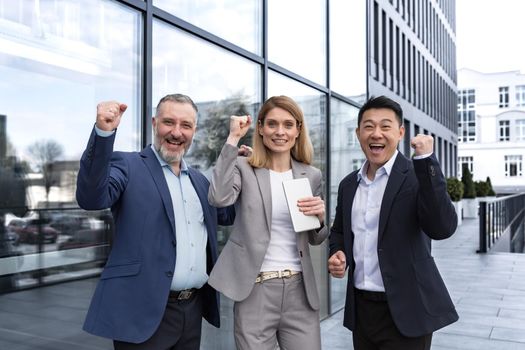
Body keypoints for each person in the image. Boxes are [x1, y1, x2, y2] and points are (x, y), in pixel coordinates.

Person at [76, 94, 235, 349]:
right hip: (142, 312)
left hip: (192, 310)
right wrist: (103, 134)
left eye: (186, 125)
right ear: (154, 123)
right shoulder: (127, 165)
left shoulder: (200, 181)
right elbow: (92, 197)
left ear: (194, 130)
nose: (176, 132)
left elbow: (228, 214)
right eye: (168, 122)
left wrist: (247, 169)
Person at [328, 95, 459, 350]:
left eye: (385, 126)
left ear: (400, 132)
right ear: (358, 133)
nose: (376, 134)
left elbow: (442, 227)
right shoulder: (348, 184)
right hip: (362, 310)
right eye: (368, 126)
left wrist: (427, 161)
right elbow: (339, 231)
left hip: (408, 309)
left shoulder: (415, 175)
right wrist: (337, 252)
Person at [207, 95, 328, 350]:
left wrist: (320, 219)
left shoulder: (312, 175)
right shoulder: (244, 167)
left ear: (298, 130)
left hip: (300, 292)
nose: (280, 131)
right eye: (272, 124)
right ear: (260, 128)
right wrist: (232, 139)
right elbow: (218, 197)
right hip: (255, 290)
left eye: (288, 124)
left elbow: (316, 238)